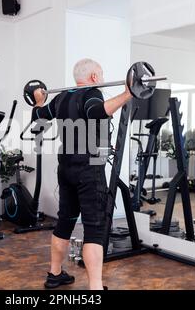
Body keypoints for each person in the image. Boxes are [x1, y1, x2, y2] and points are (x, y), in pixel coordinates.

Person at [32, 59, 132, 290]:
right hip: (89, 169)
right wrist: (127, 94)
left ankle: (54, 274)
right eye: (102, 73)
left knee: (65, 221)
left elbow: (38, 118)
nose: (103, 78)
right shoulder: (92, 93)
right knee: (94, 228)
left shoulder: (61, 97)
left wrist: (39, 102)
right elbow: (96, 112)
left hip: (66, 168)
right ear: (95, 77)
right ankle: (95, 288)